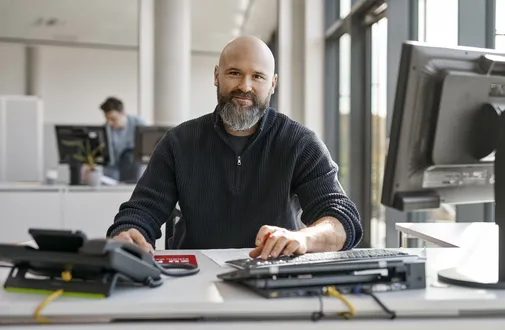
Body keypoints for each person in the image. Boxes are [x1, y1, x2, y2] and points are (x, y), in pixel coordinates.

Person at [106, 35, 363, 259]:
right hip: (193, 277)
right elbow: (140, 211)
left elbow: (341, 219)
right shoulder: (178, 142)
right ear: (216, 75)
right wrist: (129, 234)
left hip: (272, 272)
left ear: (272, 84)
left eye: (257, 76)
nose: (245, 86)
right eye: (234, 73)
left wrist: (304, 239)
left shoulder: (299, 143)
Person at [99, 97, 146, 181]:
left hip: (134, 169)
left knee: (129, 155)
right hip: (112, 171)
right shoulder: (106, 129)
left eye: (113, 119)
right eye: (107, 119)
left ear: (123, 113)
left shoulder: (139, 124)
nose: (110, 123)